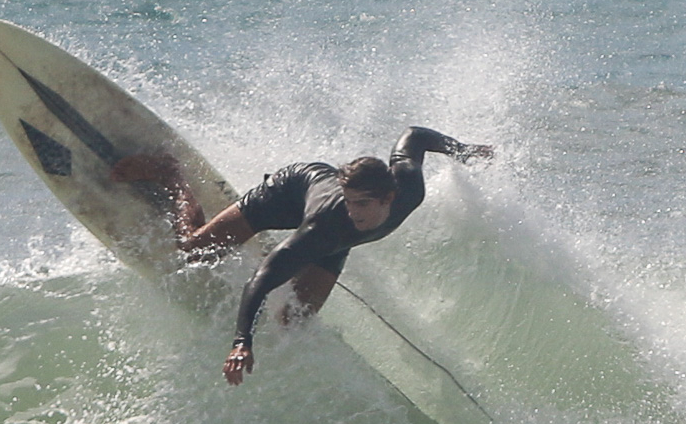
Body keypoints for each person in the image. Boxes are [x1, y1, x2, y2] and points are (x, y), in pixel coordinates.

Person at [111, 127, 493, 385]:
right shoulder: (326, 226)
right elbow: (262, 279)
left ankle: (276, 249)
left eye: (361, 204)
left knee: (295, 321)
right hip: (289, 191)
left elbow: (415, 136)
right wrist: (242, 341)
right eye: (349, 202)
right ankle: (170, 173)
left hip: (334, 242)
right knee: (195, 251)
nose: (353, 211)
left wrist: (461, 151)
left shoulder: (408, 183)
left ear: (388, 198)